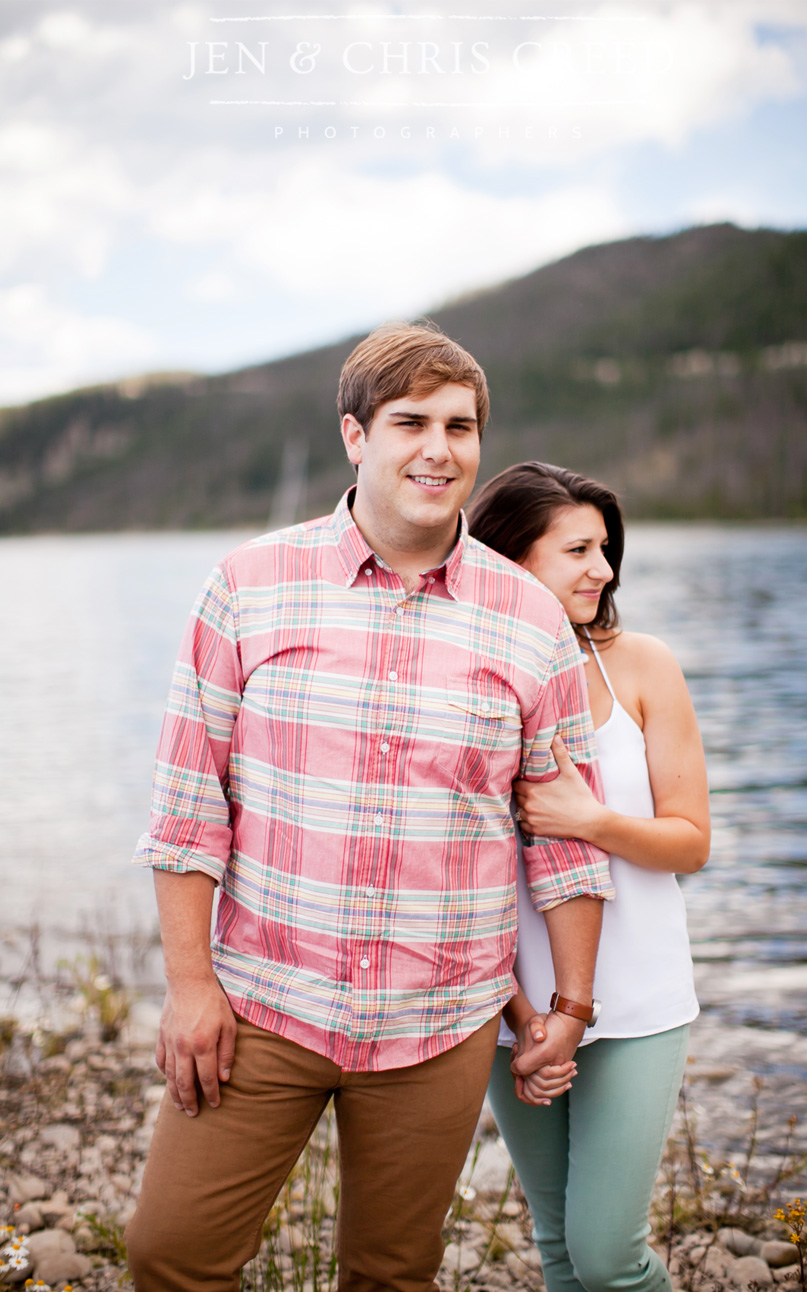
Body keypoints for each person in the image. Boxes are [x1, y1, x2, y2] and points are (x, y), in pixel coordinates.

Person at [126, 324, 613, 1288]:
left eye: (461, 426)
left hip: (442, 1021)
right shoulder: (248, 587)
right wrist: (190, 988)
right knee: (171, 1253)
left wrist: (570, 1005)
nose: (440, 448)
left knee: (393, 1272)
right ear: (356, 436)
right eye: (411, 422)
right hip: (263, 1004)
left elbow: (565, 842)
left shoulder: (530, 621)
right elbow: (188, 810)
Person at [463, 462, 711, 1292]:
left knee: (609, 1254)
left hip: (636, 999)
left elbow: (690, 841)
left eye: (604, 549)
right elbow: (448, 872)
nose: (603, 571)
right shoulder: (462, 680)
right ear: (509, 559)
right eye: (577, 550)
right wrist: (527, 1017)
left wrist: (591, 820)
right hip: (510, 1007)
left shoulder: (642, 666)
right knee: (561, 1244)